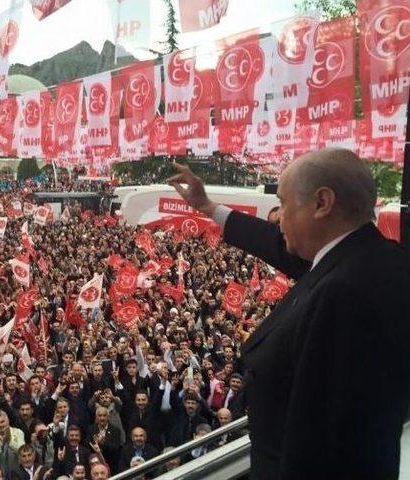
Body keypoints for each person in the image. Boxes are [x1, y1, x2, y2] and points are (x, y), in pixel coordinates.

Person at [169, 148, 410, 479]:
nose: (278, 217)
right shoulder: (369, 259)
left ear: (322, 203)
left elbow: (323, 445)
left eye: (283, 204)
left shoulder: (345, 293)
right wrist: (209, 207)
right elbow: (279, 246)